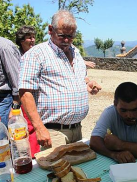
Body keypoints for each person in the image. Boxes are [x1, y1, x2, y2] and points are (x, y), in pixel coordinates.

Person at [18, 10, 101, 149]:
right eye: (62, 35)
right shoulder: (36, 54)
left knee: (76, 169)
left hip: (77, 130)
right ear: (51, 30)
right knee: (56, 170)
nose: (67, 40)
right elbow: (25, 93)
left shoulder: (76, 52)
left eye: (71, 36)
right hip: (53, 132)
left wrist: (88, 84)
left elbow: (79, 78)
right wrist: (39, 128)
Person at [90, 82, 137, 163]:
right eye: (123, 110)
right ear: (115, 104)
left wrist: (119, 145)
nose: (129, 115)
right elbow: (94, 141)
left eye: (134, 110)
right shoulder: (110, 112)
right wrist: (113, 154)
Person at [15, 25, 39, 158]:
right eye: (29, 38)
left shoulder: (36, 55)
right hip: (22, 98)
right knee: (27, 128)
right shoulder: (18, 57)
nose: (32, 40)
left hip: (35, 97)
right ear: (21, 40)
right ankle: (31, 156)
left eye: (33, 37)